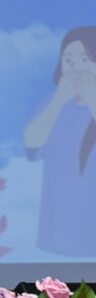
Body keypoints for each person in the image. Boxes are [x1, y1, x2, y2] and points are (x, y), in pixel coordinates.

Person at [23, 26, 96, 256]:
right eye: (69, 60)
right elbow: (32, 143)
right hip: (60, 231)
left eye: (85, 59)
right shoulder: (51, 103)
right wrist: (58, 101)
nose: (76, 67)